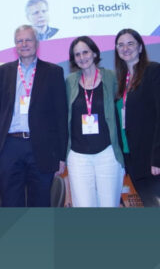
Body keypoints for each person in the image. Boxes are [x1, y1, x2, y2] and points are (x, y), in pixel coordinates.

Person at [0, 25, 68, 207]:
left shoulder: (54, 72)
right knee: (10, 203)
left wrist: (61, 156)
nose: (24, 44)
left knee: (40, 203)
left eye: (28, 40)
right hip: (10, 147)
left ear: (37, 43)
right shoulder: (2, 72)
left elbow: (61, 116)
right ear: (15, 45)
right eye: (20, 40)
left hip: (42, 148)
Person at [114, 28, 160, 207]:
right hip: (134, 158)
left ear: (140, 47)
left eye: (130, 43)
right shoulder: (122, 80)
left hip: (155, 159)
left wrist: (158, 158)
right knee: (150, 206)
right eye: (121, 45)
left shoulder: (155, 71)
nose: (125, 48)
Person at [65, 36, 124, 207]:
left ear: (95, 53)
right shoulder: (70, 82)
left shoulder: (111, 78)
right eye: (77, 55)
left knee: (108, 206)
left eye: (85, 52)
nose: (82, 57)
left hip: (107, 153)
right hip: (78, 156)